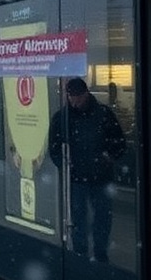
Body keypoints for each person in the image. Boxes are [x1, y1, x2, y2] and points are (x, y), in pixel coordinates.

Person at [49, 77, 126, 263]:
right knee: (78, 218)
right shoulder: (63, 117)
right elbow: (54, 147)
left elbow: (119, 141)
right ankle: (81, 253)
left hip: (99, 177)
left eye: (77, 97)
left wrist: (109, 156)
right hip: (78, 178)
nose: (74, 101)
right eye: (71, 96)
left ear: (86, 94)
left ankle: (99, 253)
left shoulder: (102, 114)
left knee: (101, 218)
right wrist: (65, 165)